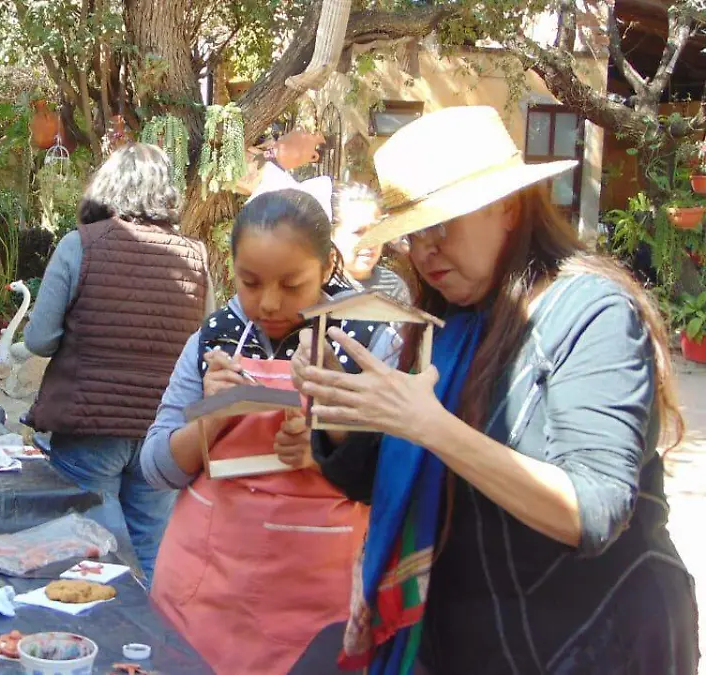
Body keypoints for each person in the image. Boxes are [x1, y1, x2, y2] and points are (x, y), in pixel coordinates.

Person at [293, 106, 697, 674]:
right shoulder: (449, 324)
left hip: (588, 640)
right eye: (411, 234)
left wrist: (429, 425)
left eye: (441, 224)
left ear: (508, 207)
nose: (424, 250)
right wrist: (337, 406)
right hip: (467, 638)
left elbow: (594, 509)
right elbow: (395, 486)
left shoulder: (592, 312)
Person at [140, 188, 398, 674]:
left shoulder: (371, 341)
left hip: (317, 606)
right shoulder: (212, 338)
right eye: (250, 282)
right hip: (202, 593)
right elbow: (155, 469)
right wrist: (213, 414)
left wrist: (326, 446)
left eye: (292, 284)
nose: (270, 303)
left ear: (326, 270)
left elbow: (400, 475)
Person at [23, 143, 211, 582]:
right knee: (149, 550)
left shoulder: (79, 246)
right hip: (162, 432)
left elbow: (39, 340)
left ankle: (93, 645)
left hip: (88, 427)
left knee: (89, 552)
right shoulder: (196, 256)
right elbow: (200, 349)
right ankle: (146, 644)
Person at [330, 181, 409, 302]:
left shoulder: (394, 287)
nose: (371, 242)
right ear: (331, 235)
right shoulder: (320, 287)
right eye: (358, 232)